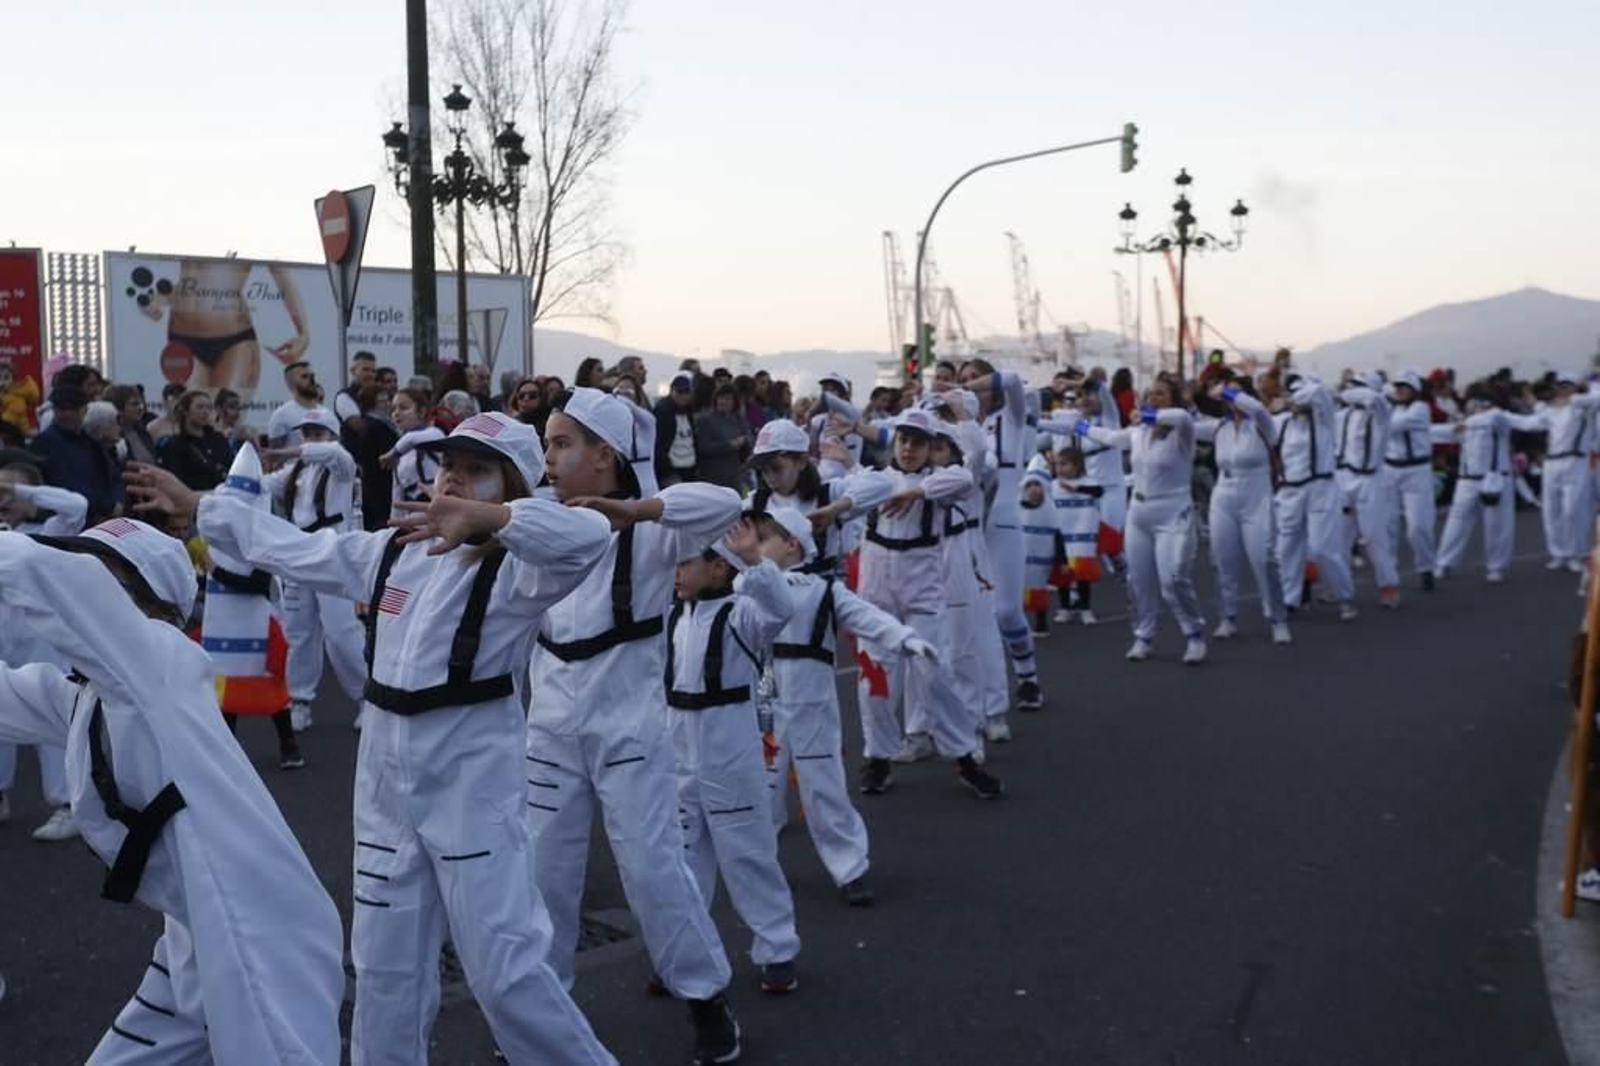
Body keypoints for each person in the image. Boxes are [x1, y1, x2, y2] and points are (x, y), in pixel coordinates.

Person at [159, 410, 621, 1066]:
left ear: (513, 487)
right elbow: (287, 546)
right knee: (382, 972)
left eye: (477, 470)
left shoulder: (520, 571)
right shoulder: (390, 553)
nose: (453, 479)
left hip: (471, 792)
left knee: (508, 974)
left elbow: (588, 534)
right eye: (448, 466)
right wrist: (201, 505)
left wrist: (493, 520)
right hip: (382, 789)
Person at [0, 519, 344, 1062]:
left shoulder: (165, 661)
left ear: (154, 606)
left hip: (261, 944)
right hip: (195, 938)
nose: (83, 581)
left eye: (98, 572)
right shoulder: (93, 697)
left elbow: (47, 575)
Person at [522, 388, 746, 1064]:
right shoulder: (537, 519)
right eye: (547, 444)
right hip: (548, 726)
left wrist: (635, 509)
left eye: (562, 443)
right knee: (541, 874)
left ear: (605, 455)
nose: (548, 456)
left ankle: (705, 995)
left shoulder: (654, 530)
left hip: (628, 728)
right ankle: (539, 1014)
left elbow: (726, 504)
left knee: (652, 869)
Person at [757, 507, 932, 906]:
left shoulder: (824, 590)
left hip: (813, 704)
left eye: (764, 539)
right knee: (761, 791)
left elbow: (867, 616)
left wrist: (905, 638)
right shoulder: (750, 587)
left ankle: (849, 867)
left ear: (791, 543)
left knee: (825, 789)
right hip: (765, 703)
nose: (756, 546)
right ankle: (762, 869)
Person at [666, 517, 802, 992]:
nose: (675, 572)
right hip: (676, 747)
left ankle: (778, 947)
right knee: (681, 858)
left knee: (748, 852)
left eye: (685, 562)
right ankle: (684, 954)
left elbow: (781, 607)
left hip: (729, 749)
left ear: (718, 569)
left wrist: (753, 560)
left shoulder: (743, 614)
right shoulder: (671, 616)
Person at [854, 409, 1002, 798]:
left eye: (918, 443)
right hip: (876, 596)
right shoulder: (875, 480)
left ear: (929, 448)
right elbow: (839, 490)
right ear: (894, 443)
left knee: (935, 676)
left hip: (922, 596)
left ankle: (964, 757)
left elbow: (966, 478)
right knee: (874, 679)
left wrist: (916, 492)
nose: (909, 449)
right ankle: (878, 758)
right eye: (903, 440)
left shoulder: (940, 482)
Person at [1079, 377, 1207, 663]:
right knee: (1138, 580)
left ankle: (1194, 633)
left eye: (1160, 394)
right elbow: (1110, 437)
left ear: (1173, 399)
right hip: (1139, 513)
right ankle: (1144, 635)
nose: (1153, 398)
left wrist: (1147, 416)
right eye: (1150, 394)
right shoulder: (1138, 432)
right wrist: (1079, 427)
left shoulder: (1183, 430)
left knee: (1173, 578)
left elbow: (1180, 416)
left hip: (1173, 512)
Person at [263, 408, 367, 731]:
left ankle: (367, 698)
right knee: (298, 631)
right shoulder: (295, 470)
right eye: (306, 433)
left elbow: (333, 453)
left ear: (333, 435)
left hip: (332, 554)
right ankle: (299, 700)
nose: (310, 439)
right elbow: (259, 485)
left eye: (318, 433)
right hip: (300, 553)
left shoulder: (342, 466)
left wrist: (290, 451)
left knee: (341, 634)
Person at [200, 445, 303, 771]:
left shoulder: (261, 535)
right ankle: (227, 747)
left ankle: (288, 743)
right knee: (225, 684)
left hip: (255, 623)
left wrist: (215, 572)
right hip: (223, 623)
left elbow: (258, 584)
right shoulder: (215, 534)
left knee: (267, 684)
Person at [0, 457, 86, 842]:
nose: (3, 498)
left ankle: (68, 804)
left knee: (51, 723)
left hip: (43, 648)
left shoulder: (49, 534)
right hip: (4, 646)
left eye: (9, 490)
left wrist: (20, 490)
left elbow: (77, 506)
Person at [960, 366, 1046, 710]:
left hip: (1004, 522)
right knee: (968, 616)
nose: (971, 386)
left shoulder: (1010, 418)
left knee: (1007, 611)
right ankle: (980, 693)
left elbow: (1012, 380)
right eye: (965, 377)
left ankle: (1028, 677)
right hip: (966, 528)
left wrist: (964, 386)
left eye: (976, 378)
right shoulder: (957, 426)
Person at [1195, 378, 1292, 644]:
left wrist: (1227, 390)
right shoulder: (1220, 427)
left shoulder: (1262, 423)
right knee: (1222, 560)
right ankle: (1227, 617)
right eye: (1229, 396)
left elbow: (1258, 408)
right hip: (1224, 496)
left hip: (1256, 496)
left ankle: (1277, 618)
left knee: (1263, 558)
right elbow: (1187, 427)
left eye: (1237, 394)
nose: (1231, 400)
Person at [1273, 373, 1357, 620]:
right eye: (1295, 395)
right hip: (1290, 491)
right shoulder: (1282, 422)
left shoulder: (1324, 419)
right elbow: (1256, 420)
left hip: (1321, 488)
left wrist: (1293, 398)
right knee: (1287, 549)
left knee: (1323, 548)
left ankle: (1344, 597)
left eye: (1302, 397)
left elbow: (1320, 392)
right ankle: (1290, 599)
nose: (1300, 403)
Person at [1434, 387, 1530, 582]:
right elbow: (1443, 432)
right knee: (1456, 523)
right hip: (1467, 480)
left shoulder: (1499, 419)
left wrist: (1468, 422)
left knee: (1497, 524)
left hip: (1495, 479)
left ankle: (1496, 567)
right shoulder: (1466, 423)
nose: (1476, 406)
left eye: (1481, 402)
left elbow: (1497, 417)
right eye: (1474, 402)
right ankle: (1444, 562)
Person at [1523, 374, 1600, 572]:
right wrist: (1500, 415)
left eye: (1567, 385)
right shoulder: (1550, 410)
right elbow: (1529, 423)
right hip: (1551, 464)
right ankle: (1558, 553)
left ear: (1575, 387)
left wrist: (1571, 398)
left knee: (1572, 510)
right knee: (1551, 511)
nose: (1562, 389)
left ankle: (1576, 554)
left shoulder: (1585, 407)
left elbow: (1596, 398)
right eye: (1560, 386)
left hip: (1575, 462)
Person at [1337, 373, 1401, 607]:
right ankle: (1339, 587)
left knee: (1375, 537)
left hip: (1370, 480)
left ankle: (1388, 586)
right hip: (1345, 478)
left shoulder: (1381, 412)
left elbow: (1372, 398)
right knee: (1340, 538)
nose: (1352, 389)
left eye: (1358, 386)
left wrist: (1350, 391)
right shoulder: (1345, 414)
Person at [29, 383, 123, 523]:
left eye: (73, 408)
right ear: (54, 410)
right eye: (62, 408)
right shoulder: (43, 444)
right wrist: (108, 507)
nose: (68, 414)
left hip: (100, 520)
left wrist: (118, 502)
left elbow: (114, 476)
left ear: (85, 410)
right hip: (66, 523)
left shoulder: (92, 443)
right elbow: (64, 485)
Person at [1385, 370, 1440, 590]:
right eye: (1397, 386)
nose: (1399, 390)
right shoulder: (1392, 409)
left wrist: (1380, 410)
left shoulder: (1420, 408)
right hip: (1390, 470)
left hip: (1416, 470)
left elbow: (1395, 426)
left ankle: (1426, 566)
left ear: (1414, 389)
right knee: (1388, 526)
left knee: (1418, 527)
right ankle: (1388, 574)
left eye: (1404, 386)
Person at [1050, 447, 1105, 625]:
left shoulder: (1089, 482)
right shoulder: (1052, 486)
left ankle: (1085, 608)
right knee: (1063, 573)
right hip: (1061, 536)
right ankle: (1065, 608)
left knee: (1082, 575)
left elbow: (1099, 491)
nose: (1060, 468)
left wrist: (1076, 488)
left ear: (1077, 465)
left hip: (1083, 536)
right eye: (1057, 464)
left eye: (1064, 464)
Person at [383, 386, 445, 517]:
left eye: (403, 408)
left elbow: (412, 439)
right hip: (414, 519)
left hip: (439, 514)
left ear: (421, 412)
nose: (396, 413)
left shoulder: (434, 434)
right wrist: (394, 526)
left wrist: (393, 453)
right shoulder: (400, 451)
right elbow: (397, 496)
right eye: (393, 409)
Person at [156, 391, 234, 492]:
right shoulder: (174, 445)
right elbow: (176, 483)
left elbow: (232, 467)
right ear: (185, 411)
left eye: (209, 408)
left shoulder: (218, 439)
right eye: (200, 407)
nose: (205, 412)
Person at [354, 384, 399, 532]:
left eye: (388, 400)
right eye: (383, 401)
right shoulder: (376, 427)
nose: (388, 404)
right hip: (380, 485)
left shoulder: (373, 424)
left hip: (374, 485)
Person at [1019, 469, 1059, 636]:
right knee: (1018, 590)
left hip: (1043, 559)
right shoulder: (1017, 507)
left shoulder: (1051, 509)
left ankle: (1041, 624)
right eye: (1029, 485)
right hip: (1020, 559)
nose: (1033, 489)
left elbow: (1058, 535)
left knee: (1039, 589)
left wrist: (1061, 560)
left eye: (1037, 484)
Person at [695, 384, 752, 491]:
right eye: (720, 398)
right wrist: (729, 445)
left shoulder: (739, 419)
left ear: (734, 401)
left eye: (727, 398)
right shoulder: (705, 420)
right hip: (713, 477)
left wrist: (744, 441)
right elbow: (703, 447)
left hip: (735, 476)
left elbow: (750, 437)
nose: (723, 401)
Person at [266, 361, 323, 449]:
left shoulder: (325, 413)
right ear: (290, 383)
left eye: (312, 376)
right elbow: (275, 453)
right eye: (304, 377)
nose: (312, 380)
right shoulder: (281, 416)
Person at [656, 372, 699, 486]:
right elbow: (658, 444)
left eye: (686, 392)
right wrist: (667, 469)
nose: (683, 396)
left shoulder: (690, 412)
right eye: (680, 392)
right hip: (671, 470)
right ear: (672, 391)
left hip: (690, 467)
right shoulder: (662, 411)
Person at [334, 350, 378, 450]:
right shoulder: (344, 397)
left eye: (373, 371)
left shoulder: (377, 395)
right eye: (365, 370)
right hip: (355, 457)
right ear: (353, 371)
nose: (370, 374)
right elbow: (361, 428)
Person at [107, 385, 159, 467]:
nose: (141, 407)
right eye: (134, 404)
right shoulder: (111, 437)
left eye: (141, 403)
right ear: (119, 407)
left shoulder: (143, 432)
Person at [0, 354, 40, 436]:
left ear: (13, 379)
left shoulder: (17, 399)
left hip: (17, 436)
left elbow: (8, 420)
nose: (2, 381)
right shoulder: (3, 395)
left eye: (6, 378)